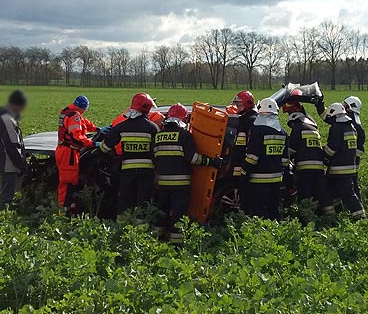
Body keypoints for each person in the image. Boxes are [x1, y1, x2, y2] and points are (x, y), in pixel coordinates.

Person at [153, 104, 222, 242]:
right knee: (178, 214)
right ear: (184, 119)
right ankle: (177, 243)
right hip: (180, 184)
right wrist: (211, 162)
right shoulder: (185, 136)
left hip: (162, 183)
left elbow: (154, 158)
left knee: (161, 212)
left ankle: (157, 239)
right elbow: (193, 158)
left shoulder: (158, 136)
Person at [99, 93, 159, 214]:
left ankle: (123, 226)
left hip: (127, 171)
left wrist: (98, 148)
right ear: (146, 108)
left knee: (125, 200)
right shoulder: (153, 128)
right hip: (146, 172)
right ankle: (141, 227)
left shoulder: (121, 126)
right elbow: (158, 151)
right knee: (143, 201)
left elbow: (105, 147)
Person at [241, 97, 290, 220]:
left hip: (259, 180)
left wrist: (244, 171)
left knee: (259, 211)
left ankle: (262, 235)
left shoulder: (257, 130)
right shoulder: (282, 132)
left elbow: (252, 156)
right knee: (274, 209)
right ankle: (277, 233)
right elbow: (285, 160)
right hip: (277, 180)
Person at [56, 95, 103, 213]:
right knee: (68, 181)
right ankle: (65, 210)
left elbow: (83, 122)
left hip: (63, 150)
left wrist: (97, 128)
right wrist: (92, 143)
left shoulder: (69, 112)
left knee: (68, 180)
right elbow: (76, 138)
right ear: (83, 108)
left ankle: (68, 206)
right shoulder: (74, 116)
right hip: (69, 152)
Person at [321, 103, 365, 220]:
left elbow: (332, 148)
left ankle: (360, 217)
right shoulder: (352, 127)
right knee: (334, 192)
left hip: (338, 169)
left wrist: (322, 153)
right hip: (349, 168)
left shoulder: (336, 128)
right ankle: (338, 213)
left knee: (347, 194)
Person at [282, 100, 327, 211]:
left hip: (305, 169)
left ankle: (305, 219)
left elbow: (291, 150)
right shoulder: (313, 127)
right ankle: (322, 216)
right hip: (319, 168)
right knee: (317, 194)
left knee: (304, 194)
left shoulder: (297, 128)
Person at [0, 89, 28, 212]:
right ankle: (0, 221)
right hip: (9, 166)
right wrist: (22, 165)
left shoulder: (3, 118)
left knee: (6, 196)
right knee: (6, 197)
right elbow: (12, 146)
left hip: (6, 164)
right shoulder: (7, 120)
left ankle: (0, 219)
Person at [224, 91, 257, 210]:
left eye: (239, 104)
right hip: (244, 168)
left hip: (245, 167)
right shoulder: (249, 119)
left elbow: (242, 148)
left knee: (246, 200)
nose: (237, 107)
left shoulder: (247, 121)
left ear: (247, 104)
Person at [343, 96, 365, 203]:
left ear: (349, 107)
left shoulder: (350, 123)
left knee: (352, 183)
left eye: (345, 105)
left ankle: (357, 207)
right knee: (353, 181)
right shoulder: (357, 124)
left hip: (350, 159)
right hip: (354, 159)